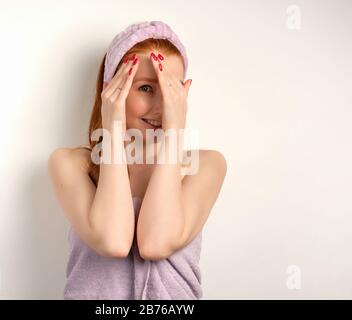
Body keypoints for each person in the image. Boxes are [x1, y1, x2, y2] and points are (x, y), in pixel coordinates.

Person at [48, 21, 227, 299]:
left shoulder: (205, 165)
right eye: (145, 88)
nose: (161, 105)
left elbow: (156, 243)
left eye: (171, 89)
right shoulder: (71, 164)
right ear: (111, 92)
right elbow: (114, 240)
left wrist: (173, 133)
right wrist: (113, 130)